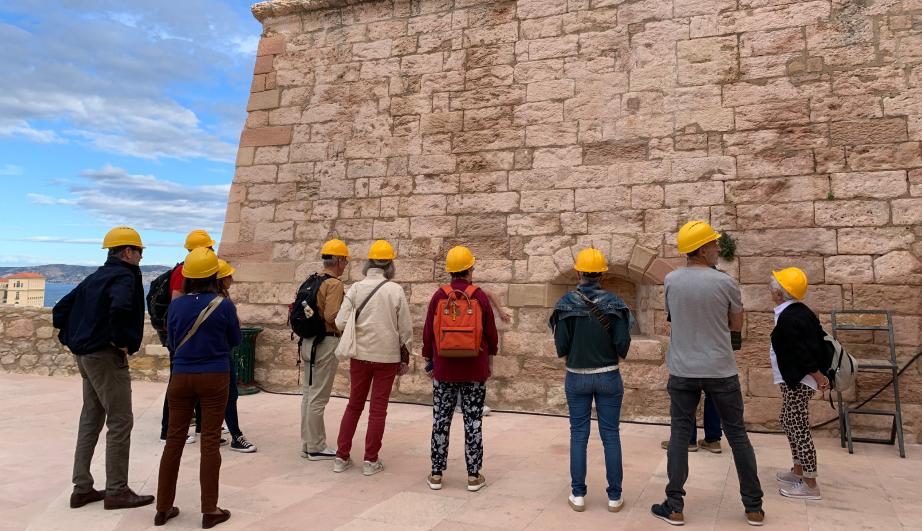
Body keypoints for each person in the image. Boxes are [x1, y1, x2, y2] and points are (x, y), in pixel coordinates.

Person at [651, 221, 764, 527]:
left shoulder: (672, 280)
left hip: (683, 369)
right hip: (720, 368)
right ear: (702, 249)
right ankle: (754, 506)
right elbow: (736, 324)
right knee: (737, 434)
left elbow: (672, 317)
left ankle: (674, 505)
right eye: (713, 245)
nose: (717, 249)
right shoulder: (725, 282)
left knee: (678, 434)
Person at [52, 226, 155, 510]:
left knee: (90, 419)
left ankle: (81, 487)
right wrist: (121, 342)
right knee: (120, 421)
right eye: (139, 251)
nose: (141, 257)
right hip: (106, 357)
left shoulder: (95, 276)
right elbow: (121, 309)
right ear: (127, 252)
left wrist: (74, 339)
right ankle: (117, 490)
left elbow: (60, 311)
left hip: (85, 355)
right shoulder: (124, 276)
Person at [155, 248, 240, 528]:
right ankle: (209, 509)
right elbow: (234, 339)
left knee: (174, 442)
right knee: (210, 441)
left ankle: (163, 507)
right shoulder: (222, 304)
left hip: (181, 375)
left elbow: (171, 340)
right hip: (214, 374)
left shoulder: (176, 305)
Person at [549, 248, 632, 513]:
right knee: (611, 435)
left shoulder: (564, 303)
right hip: (608, 375)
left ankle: (578, 494)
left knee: (578, 435)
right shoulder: (616, 303)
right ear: (602, 275)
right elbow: (623, 344)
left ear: (579, 272)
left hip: (576, 377)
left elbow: (560, 346)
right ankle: (614, 496)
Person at [332, 240, 412, 476]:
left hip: (360, 355)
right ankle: (370, 460)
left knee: (354, 405)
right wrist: (405, 356)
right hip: (387, 356)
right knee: (378, 410)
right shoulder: (394, 290)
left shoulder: (356, 288)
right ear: (389, 265)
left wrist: (357, 330)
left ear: (368, 263)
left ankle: (341, 456)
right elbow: (405, 329)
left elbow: (339, 321)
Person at [422, 246, 499, 492]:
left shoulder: (439, 295)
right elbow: (490, 332)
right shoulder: (478, 296)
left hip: (444, 369)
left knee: (440, 420)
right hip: (474, 368)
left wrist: (429, 358)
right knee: (473, 421)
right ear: (469, 269)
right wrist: (491, 355)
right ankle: (474, 476)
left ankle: (436, 474)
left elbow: (427, 332)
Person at [769, 267, 829, 501]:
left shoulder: (790, 316)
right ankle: (798, 471)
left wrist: (816, 375)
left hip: (798, 380)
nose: (770, 290)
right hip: (793, 379)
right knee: (788, 420)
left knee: (798, 426)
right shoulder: (797, 312)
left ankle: (811, 483)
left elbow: (803, 350)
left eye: (773, 287)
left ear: (779, 292)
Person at [160, 229, 217, 445]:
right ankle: (168, 429)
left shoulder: (190, 270)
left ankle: (202, 428)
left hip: (189, 338)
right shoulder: (183, 271)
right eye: (209, 247)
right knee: (177, 382)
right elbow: (177, 304)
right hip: (184, 339)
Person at [301, 239, 348, 461]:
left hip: (308, 341)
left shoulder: (314, 280)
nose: (346, 264)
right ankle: (316, 445)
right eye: (345, 260)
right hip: (326, 342)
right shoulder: (335, 285)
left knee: (309, 395)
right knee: (319, 397)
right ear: (338, 261)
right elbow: (332, 317)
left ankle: (308, 442)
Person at [216, 259, 256, 453]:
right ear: (222, 280)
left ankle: (212, 432)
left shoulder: (189, 301)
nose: (232, 279)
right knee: (230, 396)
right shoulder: (224, 303)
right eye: (228, 276)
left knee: (209, 398)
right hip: (221, 356)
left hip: (194, 361)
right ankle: (236, 436)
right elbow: (236, 334)